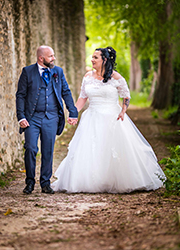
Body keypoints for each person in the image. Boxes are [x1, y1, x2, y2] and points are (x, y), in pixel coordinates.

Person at [52, 46, 166, 193]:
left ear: (104, 60)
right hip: (92, 117)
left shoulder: (116, 77)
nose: (92, 60)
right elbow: (82, 98)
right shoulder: (88, 77)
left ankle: (116, 179)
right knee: (91, 149)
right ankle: (91, 181)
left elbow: (126, 96)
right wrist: (74, 113)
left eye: (95, 57)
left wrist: (123, 111)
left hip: (112, 117)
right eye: (92, 57)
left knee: (113, 149)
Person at [16, 45, 78, 195]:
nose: (53, 58)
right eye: (50, 56)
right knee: (30, 148)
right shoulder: (27, 72)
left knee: (48, 150)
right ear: (41, 58)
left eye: (53, 55)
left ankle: (45, 183)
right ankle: (29, 182)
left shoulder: (57, 71)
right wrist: (21, 117)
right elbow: (21, 95)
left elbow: (65, 91)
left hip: (51, 117)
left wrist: (73, 111)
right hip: (32, 118)